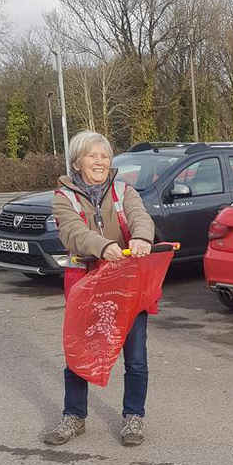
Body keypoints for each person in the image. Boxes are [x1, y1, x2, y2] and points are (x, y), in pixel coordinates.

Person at [43, 131, 155, 447]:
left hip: (127, 285)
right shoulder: (63, 197)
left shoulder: (125, 190)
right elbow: (73, 233)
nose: (100, 161)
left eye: (104, 156)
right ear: (77, 162)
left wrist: (142, 237)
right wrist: (103, 246)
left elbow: (140, 218)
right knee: (79, 352)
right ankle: (74, 416)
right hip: (85, 285)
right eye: (93, 156)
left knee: (135, 357)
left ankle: (134, 416)